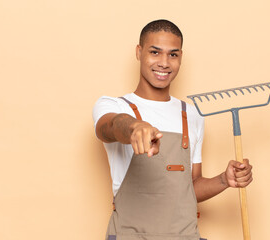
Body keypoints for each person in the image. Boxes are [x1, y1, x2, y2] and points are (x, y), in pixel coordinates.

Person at [93, 19, 253, 240]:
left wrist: (224, 180)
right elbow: (108, 127)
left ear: (180, 58)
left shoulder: (193, 115)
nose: (164, 63)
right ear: (139, 52)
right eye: (155, 52)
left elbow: (190, 188)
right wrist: (134, 127)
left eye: (173, 54)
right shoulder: (114, 105)